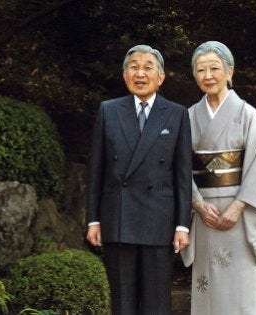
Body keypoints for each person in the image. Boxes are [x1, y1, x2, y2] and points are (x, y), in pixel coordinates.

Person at [85, 44, 193, 315]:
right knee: (123, 302)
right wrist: (93, 219)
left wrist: (183, 224)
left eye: (148, 67)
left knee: (157, 303)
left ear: (161, 77)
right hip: (118, 218)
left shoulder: (177, 113)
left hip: (160, 220)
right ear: (124, 75)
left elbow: (182, 174)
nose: (140, 73)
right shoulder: (109, 111)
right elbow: (96, 169)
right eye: (134, 67)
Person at [181, 41, 256, 314]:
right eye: (201, 70)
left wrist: (238, 206)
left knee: (240, 289)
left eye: (214, 68)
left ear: (230, 71)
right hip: (204, 214)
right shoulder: (188, 117)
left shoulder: (248, 115)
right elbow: (179, 167)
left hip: (240, 216)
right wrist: (197, 204)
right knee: (208, 288)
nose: (208, 75)